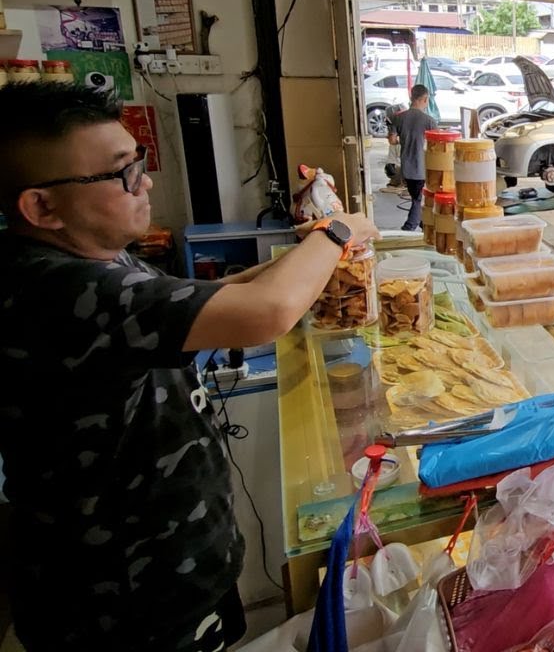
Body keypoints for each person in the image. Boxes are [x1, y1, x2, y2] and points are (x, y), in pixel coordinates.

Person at [0, 82, 381, 651]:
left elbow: (207, 299)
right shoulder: (55, 290)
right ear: (41, 206)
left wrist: (303, 255)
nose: (145, 182)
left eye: (139, 163)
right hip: (123, 604)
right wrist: (338, 232)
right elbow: (266, 312)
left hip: (171, 574)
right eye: (121, 173)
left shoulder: (91, 260)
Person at [386, 84, 438, 231]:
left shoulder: (399, 118)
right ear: (425, 99)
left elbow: (392, 140)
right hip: (422, 168)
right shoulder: (429, 121)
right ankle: (408, 227)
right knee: (418, 200)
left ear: (411, 97)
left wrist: (402, 140)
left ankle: (425, 225)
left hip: (406, 168)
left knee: (416, 197)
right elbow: (438, 146)